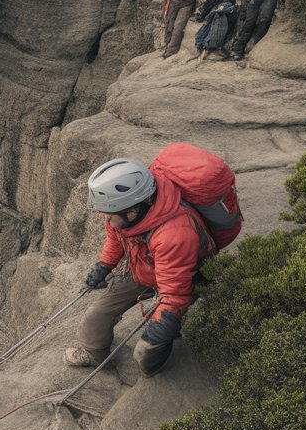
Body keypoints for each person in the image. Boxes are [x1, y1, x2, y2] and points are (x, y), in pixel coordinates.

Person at [64, 158, 203, 376]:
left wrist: (162, 327)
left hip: (184, 276)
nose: (106, 220)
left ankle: (160, 369)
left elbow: (175, 292)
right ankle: (94, 354)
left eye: (110, 216)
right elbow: (116, 238)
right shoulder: (122, 210)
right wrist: (104, 265)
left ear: (131, 211)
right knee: (96, 315)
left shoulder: (173, 234)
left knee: (150, 348)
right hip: (146, 268)